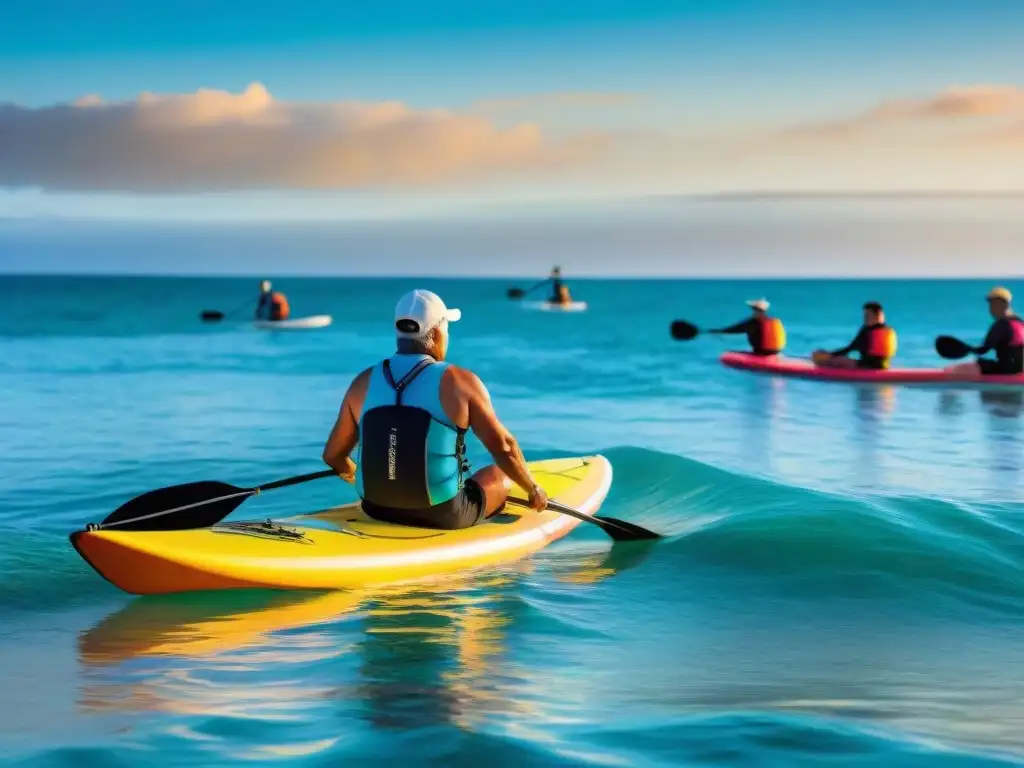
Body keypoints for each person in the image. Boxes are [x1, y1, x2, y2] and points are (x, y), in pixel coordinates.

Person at [321, 289, 549, 530]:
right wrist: (533, 488)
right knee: (498, 476)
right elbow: (504, 448)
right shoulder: (460, 382)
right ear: (438, 332)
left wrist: (358, 476)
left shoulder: (362, 382)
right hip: (442, 514)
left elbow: (333, 456)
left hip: (375, 508)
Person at [946, 286, 1024, 376]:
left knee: (954, 370)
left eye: (994, 304)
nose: (991, 309)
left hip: (1006, 371)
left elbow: (984, 350)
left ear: (1004, 305)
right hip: (1019, 370)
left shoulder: (1001, 324)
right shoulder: (1020, 322)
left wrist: (970, 349)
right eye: (991, 305)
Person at [812, 302, 897, 370]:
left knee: (829, 360)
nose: (865, 318)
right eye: (864, 316)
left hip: (865, 367)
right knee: (835, 357)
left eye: (867, 315)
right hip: (884, 367)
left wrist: (830, 355)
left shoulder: (868, 331)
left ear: (877, 316)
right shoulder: (888, 330)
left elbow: (850, 348)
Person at [709, 298, 786, 356]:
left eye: (753, 309)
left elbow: (734, 329)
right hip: (777, 352)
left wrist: (718, 331)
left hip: (761, 353)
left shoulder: (752, 323)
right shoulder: (773, 320)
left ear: (755, 310)